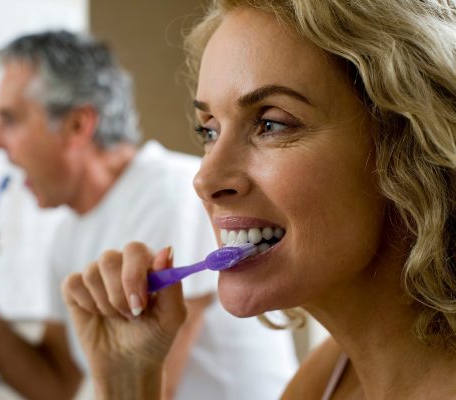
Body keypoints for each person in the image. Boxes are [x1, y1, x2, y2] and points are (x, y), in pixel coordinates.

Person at [61, 1, 456, 399]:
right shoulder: (329, 379)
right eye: (210, 131)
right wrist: (127, 383)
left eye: (271, 124)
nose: (205, 179)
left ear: (411, 144)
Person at [0, 30, 298, 400]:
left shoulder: (171, 196)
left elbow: (151, 389)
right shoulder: (67, 233)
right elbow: (54, 386)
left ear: (77, 125)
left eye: (10, 119)